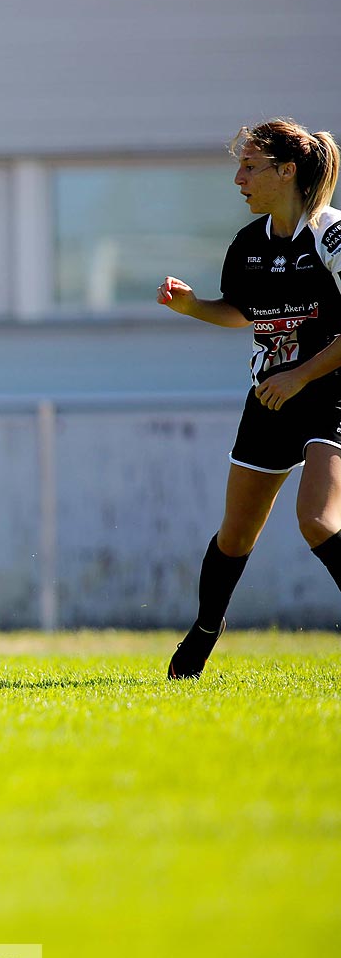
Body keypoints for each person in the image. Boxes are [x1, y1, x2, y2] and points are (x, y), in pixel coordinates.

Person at [157, 119, 341, 679]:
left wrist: (302, 375)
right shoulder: (247, 245)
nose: (239, 178)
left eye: (250, 166)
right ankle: (207, 629)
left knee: (318, 520)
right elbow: (243, 311)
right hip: (270, 397)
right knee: (235, 534)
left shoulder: (332, 235)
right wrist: (193, 307)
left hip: (327, 391)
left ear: (287, 172)